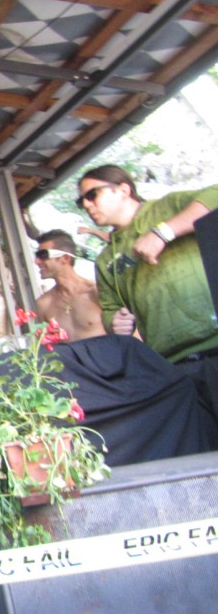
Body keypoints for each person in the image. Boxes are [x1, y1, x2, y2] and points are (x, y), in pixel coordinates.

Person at [77, 165, 218, 443]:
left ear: (123, 189)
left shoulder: (167, 207)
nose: (86, 205)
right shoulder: (105, 260)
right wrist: (115, 322)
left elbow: (214, 196)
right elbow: (110, 308)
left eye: (92, 195)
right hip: (172, 370)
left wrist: (164, 232)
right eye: (81, 201)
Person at [33, 229, 106, 341]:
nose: (37, 261)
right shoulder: (44, 304)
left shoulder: (96, 293)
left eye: (43, 255)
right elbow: (43, 344)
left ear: (65, 258)